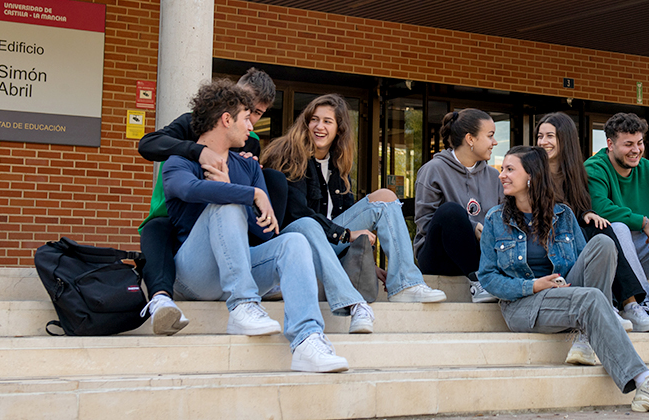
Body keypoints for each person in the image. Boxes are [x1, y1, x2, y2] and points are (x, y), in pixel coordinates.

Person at [478, 146, 649, 413]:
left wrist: (563, 286)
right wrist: (532, 285)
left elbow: (585, 260)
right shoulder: (496, 219)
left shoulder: (564, 215)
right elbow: (487, 277)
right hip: (522, 304)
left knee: (603, 242)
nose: (502, 176)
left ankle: (587, 335)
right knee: (591, 299)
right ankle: (644, 381)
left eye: (510, 169)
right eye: (502, 169)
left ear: (531, 175)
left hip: (562, 294)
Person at [161, 79, 347, 372]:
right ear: (226, 120)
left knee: (293, 241)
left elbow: (265, 230)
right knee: (226, 204)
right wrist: (247, 194)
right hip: (195, 275)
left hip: (241, 267)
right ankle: (244, 304)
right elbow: (187, 190)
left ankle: (307, 340)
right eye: (246, 119)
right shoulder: (179, 162)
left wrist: (238, 191)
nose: (251, 127)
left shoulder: (247, 166)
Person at [262, 94, 446, 320]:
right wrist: (346, 234)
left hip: (329, 240)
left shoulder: (336, 163)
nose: (319, 127)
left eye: (327, 121)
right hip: (297, 240)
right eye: (314, 120)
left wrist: (368, 264)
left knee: (385, 197)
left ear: (339, 129)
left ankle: (405, 284)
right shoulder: (290, 155)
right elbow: (297, 214)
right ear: (306, 122)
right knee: (309, 223)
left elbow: (342, 215)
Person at [136, 68, 282, 335]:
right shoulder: (193, 122)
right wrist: (198, 150)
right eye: (246, 106)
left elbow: (243, 183)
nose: (250, 118)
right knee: (157, 229)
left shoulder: (250, 140)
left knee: (270, 185)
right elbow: (148, 144)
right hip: (178, 211)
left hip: (221, 214)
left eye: (258, 113)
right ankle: (160, 297)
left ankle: (254, 275)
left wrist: (247, 186)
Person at [536, 112, 649, 332]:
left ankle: (630, 306)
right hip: (545, 243)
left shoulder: (575, 173)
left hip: (571, 238)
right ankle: (616, 304)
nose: (543, 142)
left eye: (549, 136)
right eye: (541, 136)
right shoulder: (531, 170)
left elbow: (580, 207)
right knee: (608, 229)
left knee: (601, 225)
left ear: (565, 138)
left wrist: (586, 214)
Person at [583, 113, 649, 331]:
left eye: (639, 143)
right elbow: (600, 208)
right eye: (628, 144)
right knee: (618, 228)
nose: (636, 150)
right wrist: (644, 222)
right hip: (607, 255)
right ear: (610, 144)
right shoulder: (595, 168)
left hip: (642, 251)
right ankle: (641, 304)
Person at [413, 108, 503, 303]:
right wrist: (471, 228)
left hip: (483, 253)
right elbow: (426, 224)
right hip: (440, 257)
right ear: (470, 139)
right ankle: (481, 283)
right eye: (490, 136)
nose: (495, 142)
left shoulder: (495, 177)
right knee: (450, 211)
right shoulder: (433, 170)